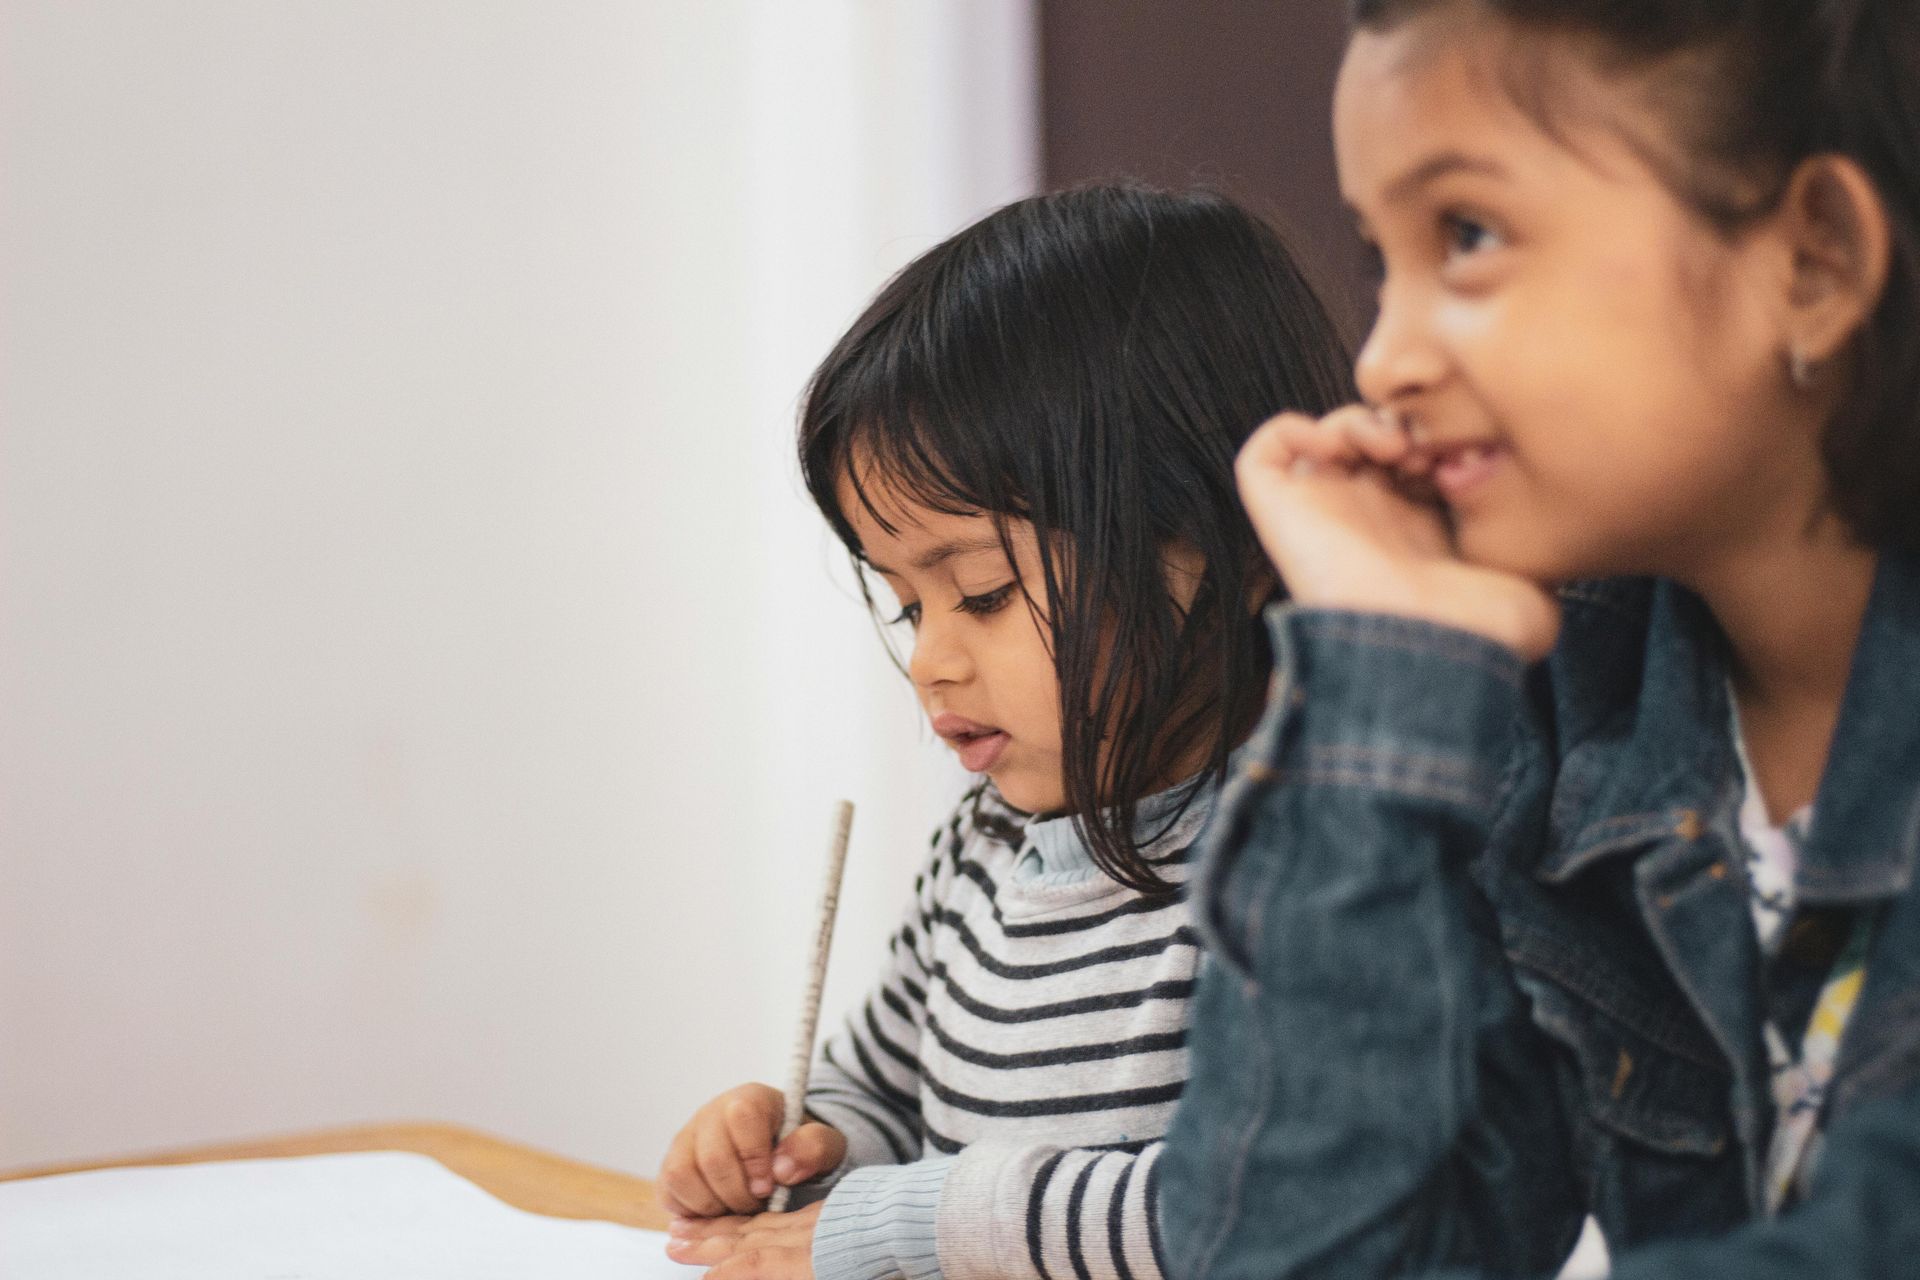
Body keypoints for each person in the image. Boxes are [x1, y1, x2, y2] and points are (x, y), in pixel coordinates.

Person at [1159, 2, 1920, 1277]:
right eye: (1378, 262)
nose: (1383, 357)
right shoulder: (1567, 713)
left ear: (1815, 261)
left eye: (1467, 233)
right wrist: (1379, 675)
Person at [655, 183, 1351, 1280]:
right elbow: (883, 1084)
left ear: (1227, 536)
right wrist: (799, 1138)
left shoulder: (1320, 858)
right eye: (905, 603)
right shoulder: (982, 848)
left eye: (977, 591)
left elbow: (1268, 1203)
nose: (932, 656)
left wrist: (922, 1221)